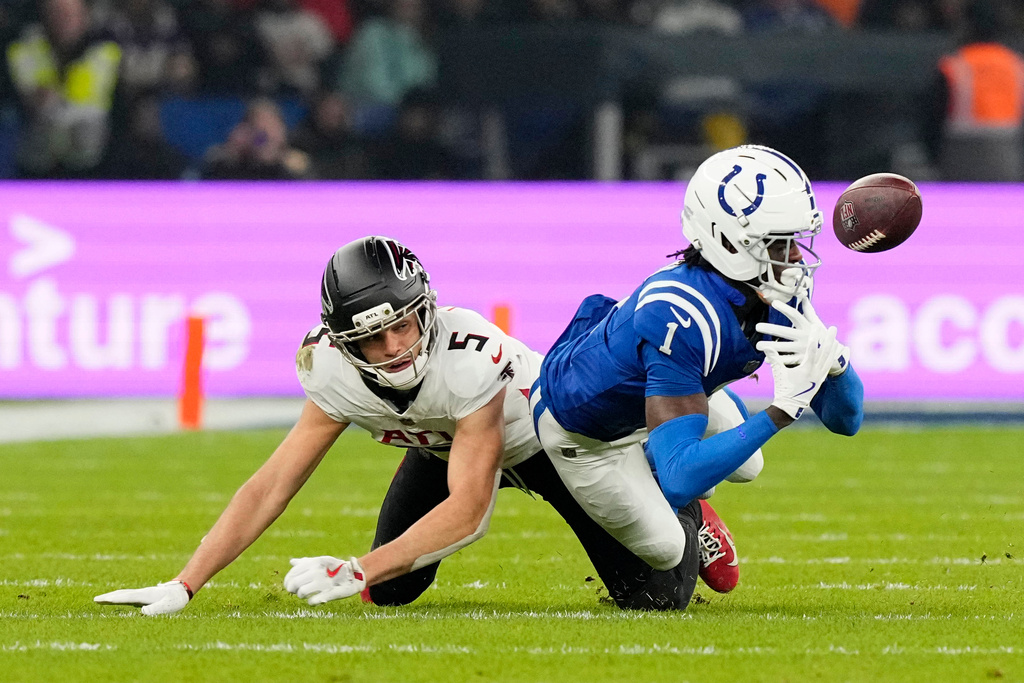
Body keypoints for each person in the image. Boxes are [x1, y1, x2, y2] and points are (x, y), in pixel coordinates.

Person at [94, 236, 738, 616]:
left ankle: (685, 504)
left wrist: (355, 567)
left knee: (656, 598)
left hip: (554, 440)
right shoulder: (331, 371)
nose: (397, 347)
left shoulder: (466, 359)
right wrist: (186, 581)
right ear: (344, 344)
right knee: (395, 590)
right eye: (372, 339)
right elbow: (272, 485)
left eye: (404, 324)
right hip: (444, 446)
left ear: (426, 309)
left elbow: (469, 510)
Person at [530, 144, 864, 581]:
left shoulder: (775, 284)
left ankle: (652, 456)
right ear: (729, 242)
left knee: (748, 464)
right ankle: (651, 488)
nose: (797, 258)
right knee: (667, 563)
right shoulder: (680, 313)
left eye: (795, 241)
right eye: (779, 244)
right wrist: (779, 414)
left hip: (665, 396)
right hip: (583, 431)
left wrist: (835, 365)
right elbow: (680, 477)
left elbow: (846, 421)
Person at [5, 0, 123, 178]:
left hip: (89, 153)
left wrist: (51, 102)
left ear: (85, 16)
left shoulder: (105, 49)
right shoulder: (23, 47)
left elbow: (93, 107)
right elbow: (30, 98)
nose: (64, 20)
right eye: (57, 13)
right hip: (36, 153)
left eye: (70, 14)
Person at [923, 0, 1024, 181]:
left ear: (966, 25)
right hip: (1009, 164)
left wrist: (933, 159)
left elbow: (931, 120)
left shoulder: (954, 66)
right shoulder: (1016, 66)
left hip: (959, 162)